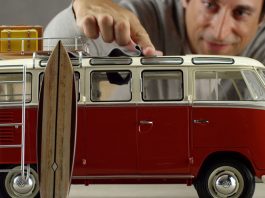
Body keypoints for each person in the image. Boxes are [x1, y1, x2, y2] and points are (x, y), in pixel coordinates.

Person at [44, 0, 265, 63]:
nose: (219, 32)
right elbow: (55, 56)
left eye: (241, 13)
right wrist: (79, 11)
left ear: (262, 18)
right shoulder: (141, 19)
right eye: (209, 5)